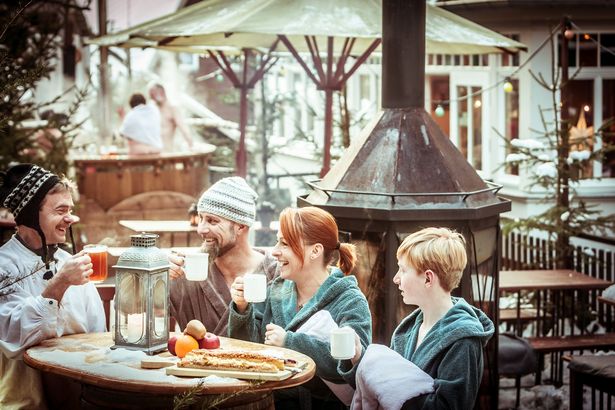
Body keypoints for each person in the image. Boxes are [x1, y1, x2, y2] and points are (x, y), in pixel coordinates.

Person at [229, 206, 372, 410]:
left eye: (285, 243)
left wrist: (291, 342)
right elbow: (246, 353)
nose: (275, 251)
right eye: (278, 241)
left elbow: (356, 370)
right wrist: (242, 309)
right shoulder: (275, 290)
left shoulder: (349, 300)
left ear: (315, 250)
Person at [350, 227, 494, 409]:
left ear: (428, 279)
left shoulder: (463, 342)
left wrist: (386, 381)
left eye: (403, 270)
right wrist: (358, 360)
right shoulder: (408, 328)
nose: (396, 278)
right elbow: (386, 384)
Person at [0, 163, 105, 409]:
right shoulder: (4, 266)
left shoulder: (70, 263)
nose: (71, 218)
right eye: (61, 210)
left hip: (79, 397)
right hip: (25, 401)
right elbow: (13, 339)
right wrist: (59, 284)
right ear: (29, 215)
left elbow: (99, 334)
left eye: (71, 209)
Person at [168, 177, 278, 335]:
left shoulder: (276, 274)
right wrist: (156, 278)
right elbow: (135, 311)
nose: (201, 229)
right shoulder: (184, 273)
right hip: (194, 360)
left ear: (240, 226)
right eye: (201, 219)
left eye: (212, 221)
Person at [148, 83, 194, 151]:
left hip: (167, 151)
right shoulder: (151, 108)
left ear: (162, 92)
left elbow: (183, 127)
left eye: (155, 93)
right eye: (152, 95)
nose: (153, 97)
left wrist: (191, 145)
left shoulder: (172, 107)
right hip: (152, 151)